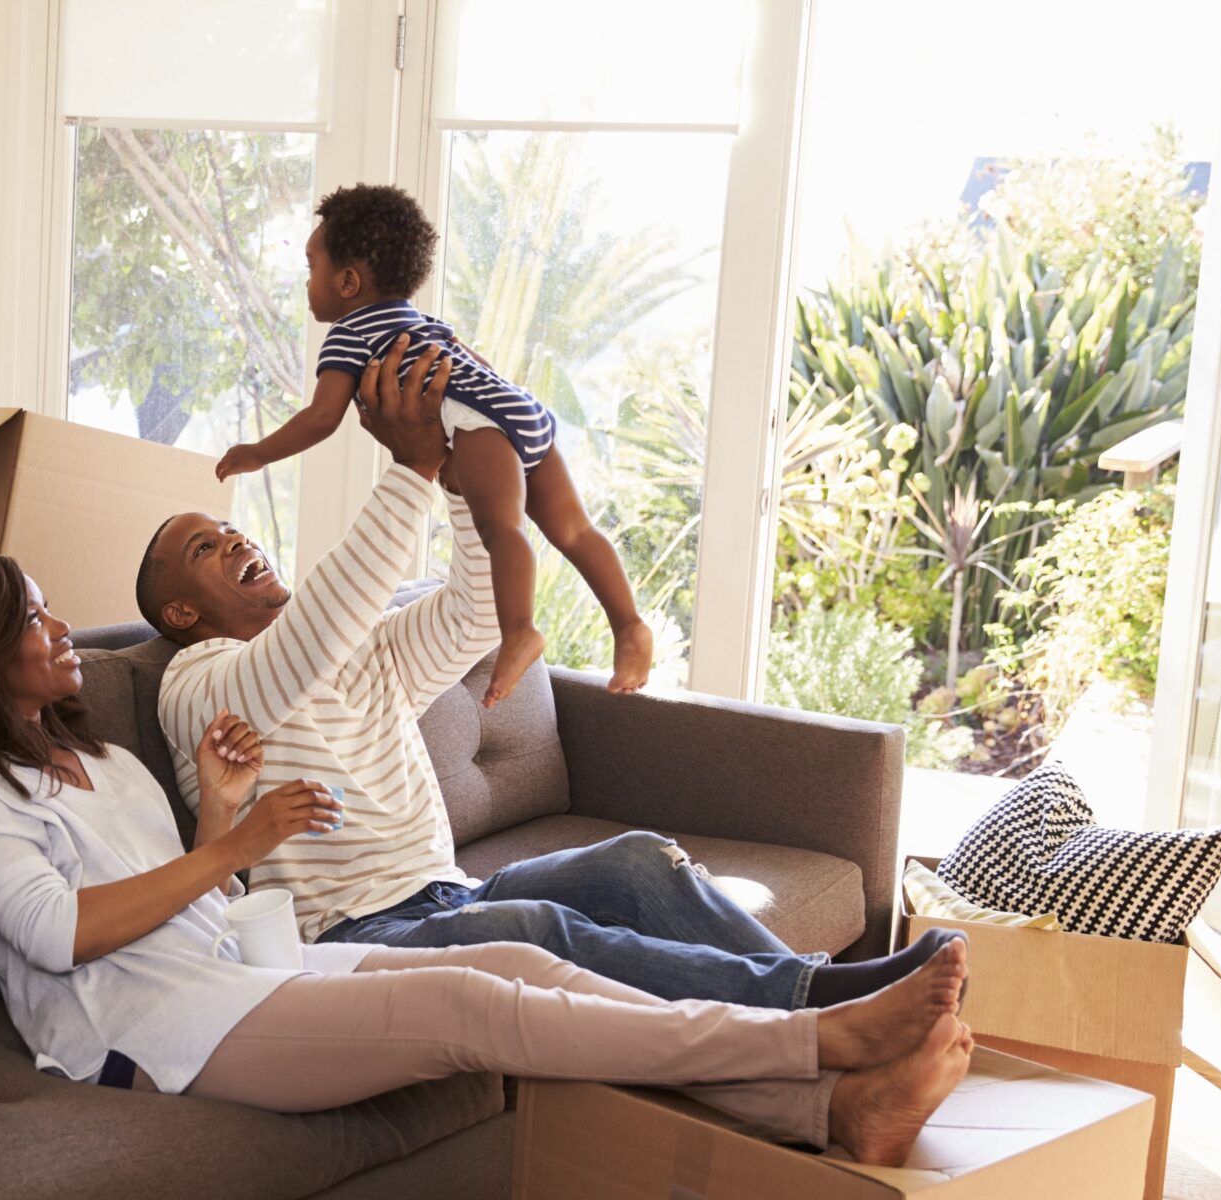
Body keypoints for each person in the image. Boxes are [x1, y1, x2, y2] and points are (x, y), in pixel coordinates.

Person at [0, 549, 974, 1163]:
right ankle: (809, 1038)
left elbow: (192, 906)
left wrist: (217, 816)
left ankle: (828, 1111)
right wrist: (240, 844)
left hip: (229, 976)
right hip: (147, 1032)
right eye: (32, 614)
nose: (60, 626)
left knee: (524, 970)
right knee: (466, 1007)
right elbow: (64, 934)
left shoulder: (99, 760)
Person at [145, 330, 966, 1011]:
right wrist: (410, 467)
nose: (238, 542)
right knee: (538, 929)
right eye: (205, 549)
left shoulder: (360, 645)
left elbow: (473, 615)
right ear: (181, 611)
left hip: (445, 892)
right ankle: (819, 1008)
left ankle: (830, 993)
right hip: (350, 937)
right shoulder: (198, 682)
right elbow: (299, 656)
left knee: (638, 859)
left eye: (233, 529)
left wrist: (464, 488)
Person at [214, 182, 650, 704]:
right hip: (518, 405)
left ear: (349, 281)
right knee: (576, 530)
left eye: (311, 268)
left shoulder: (349, 335)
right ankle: (628, 626)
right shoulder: (424, 323)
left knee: (502, 526)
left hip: (477, 422)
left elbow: (323, 417)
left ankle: (520, 631)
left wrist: (258, 453)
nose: (306, 284)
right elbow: (478, 366)